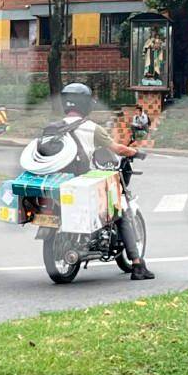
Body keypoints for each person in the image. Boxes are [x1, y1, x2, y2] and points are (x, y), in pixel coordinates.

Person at [59, 83, 155, 281]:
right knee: (120, 212)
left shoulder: (55, 128)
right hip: (85, 183)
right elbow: (117, 149)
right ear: (85, 104)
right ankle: (137, 265)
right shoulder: (91, 129)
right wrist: (135, 152)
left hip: (60, 182)